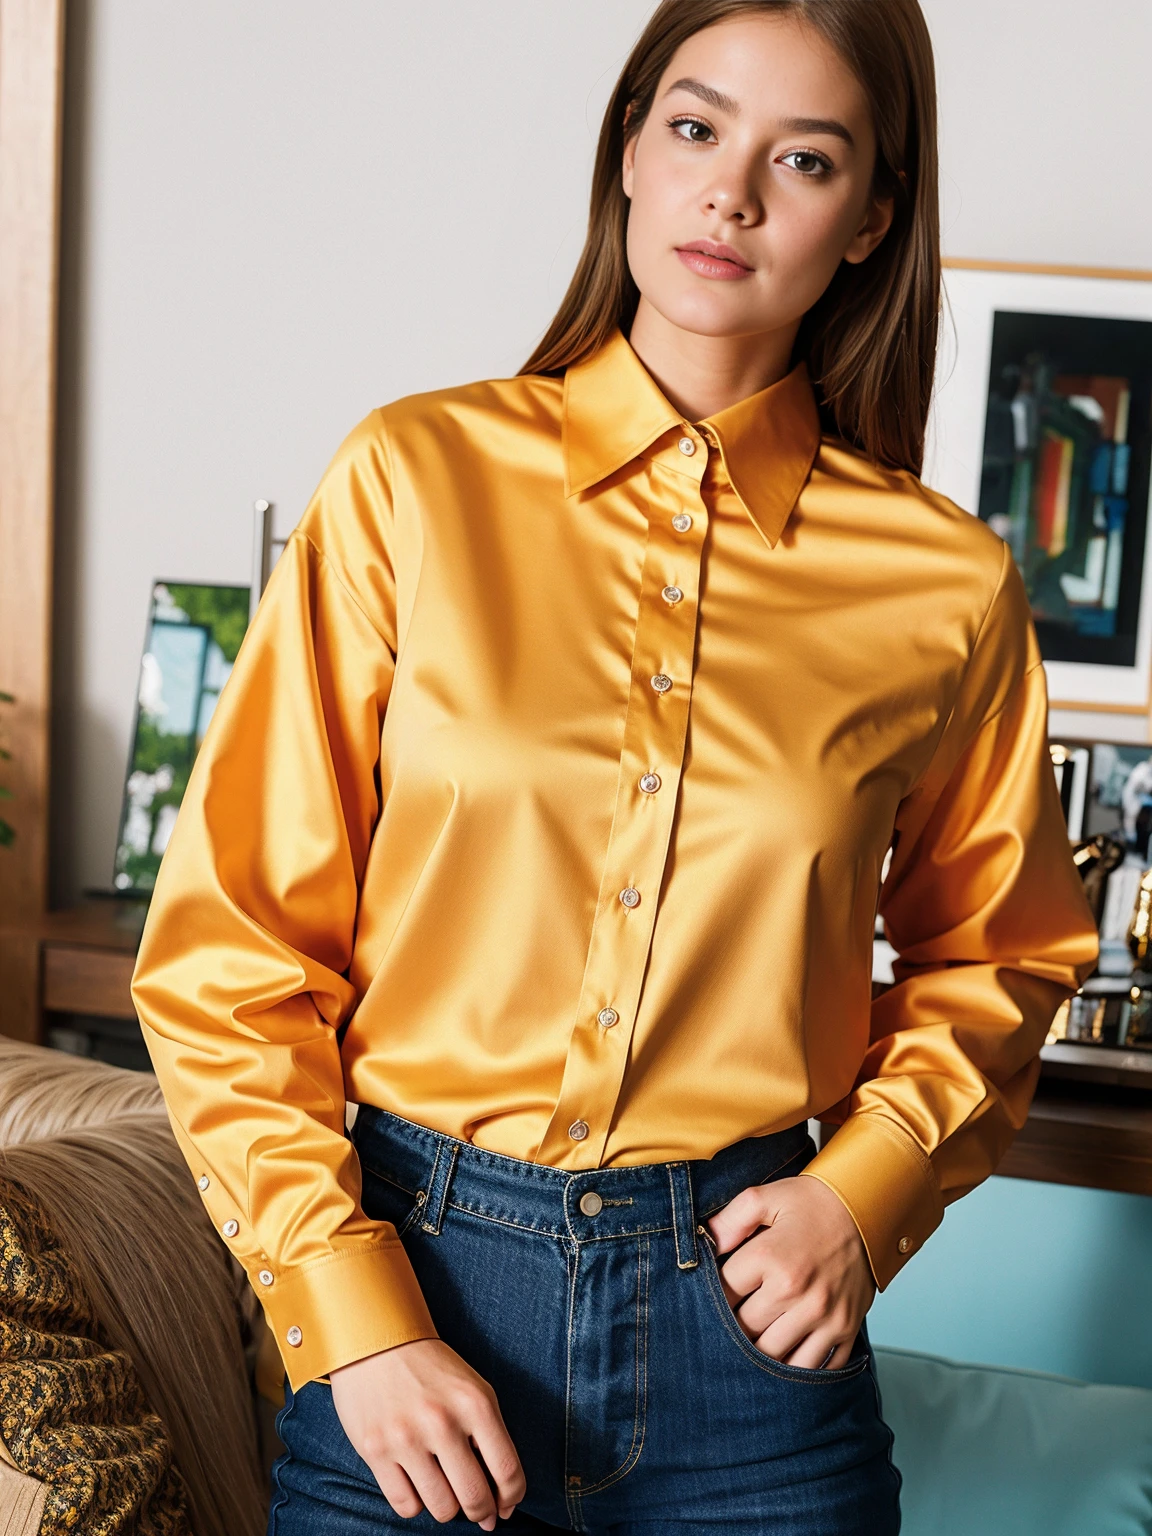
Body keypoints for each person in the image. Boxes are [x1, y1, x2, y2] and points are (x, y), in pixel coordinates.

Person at [131, 1, 1099, 1531]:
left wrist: (870, 1190)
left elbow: (1007, 949)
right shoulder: (412, 484)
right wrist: (347, 1311)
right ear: (631, 154)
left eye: (808, 159)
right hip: (419, 1301)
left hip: (753, 1354)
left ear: (870, 222)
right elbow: (231, 950)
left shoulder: (942, 582)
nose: (733, 194)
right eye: (698, 128)